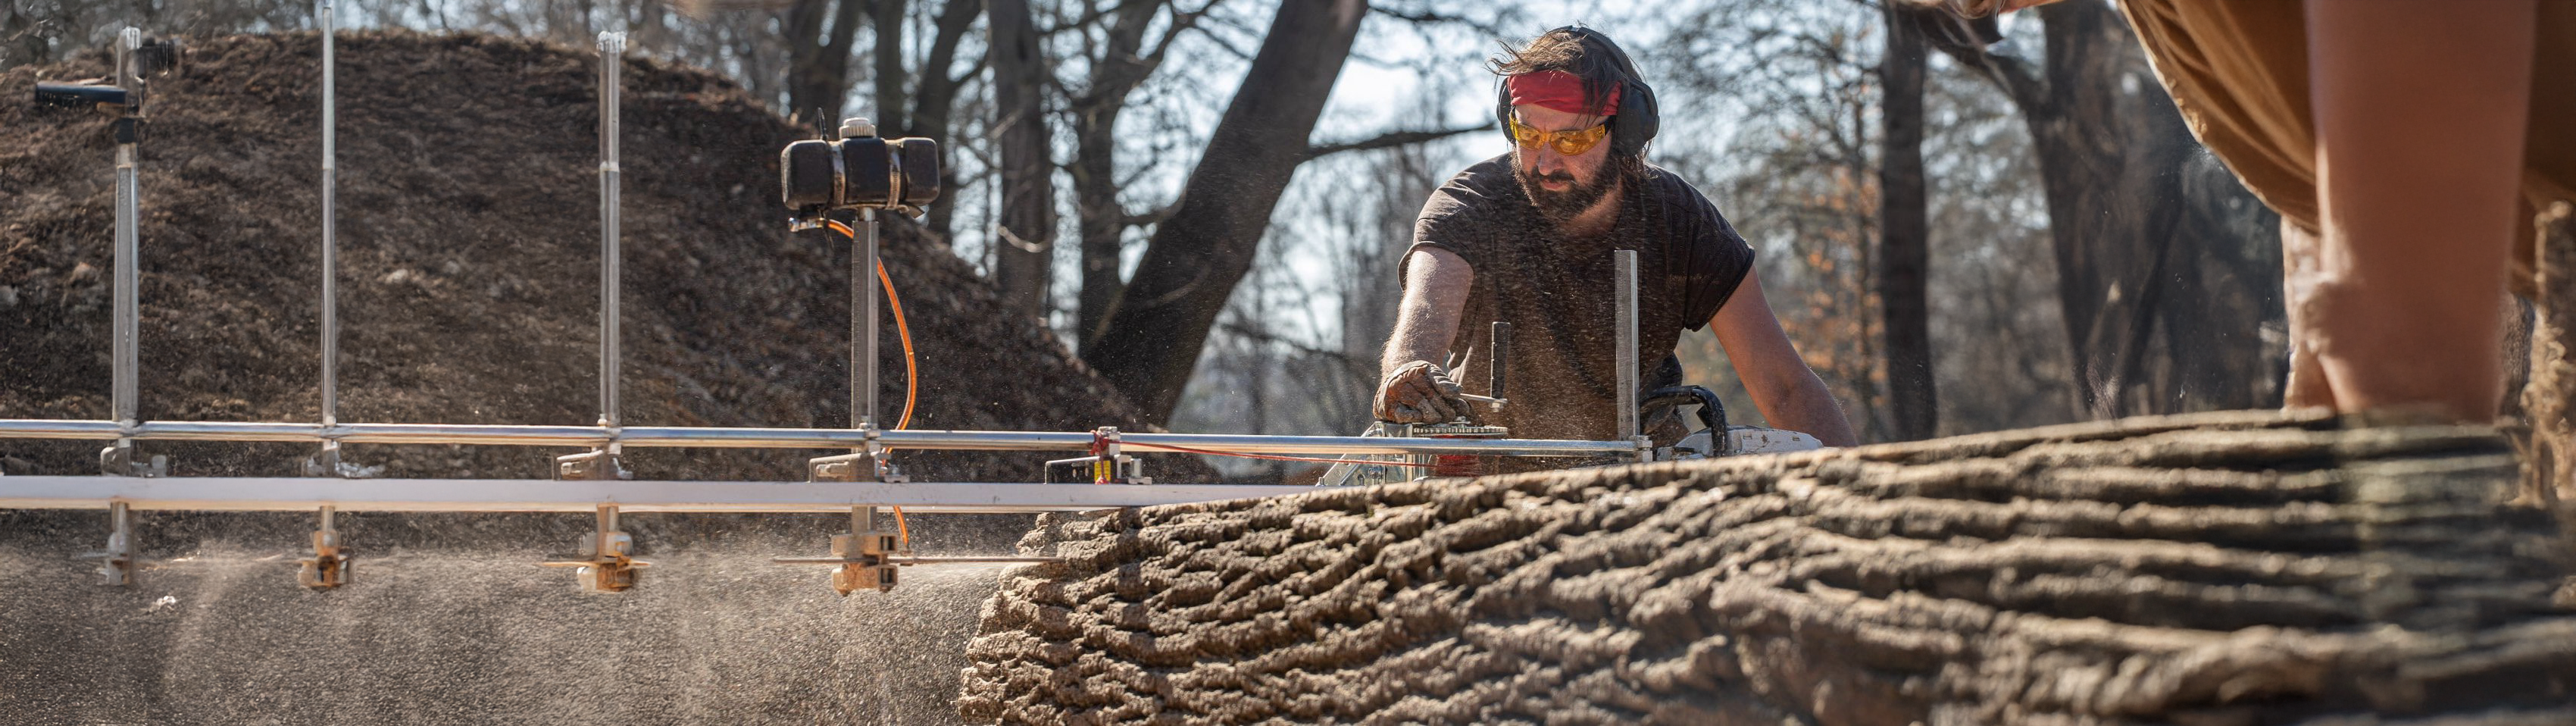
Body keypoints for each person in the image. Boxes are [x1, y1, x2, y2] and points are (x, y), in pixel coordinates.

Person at [1375, 27, 1859, 453]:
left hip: (1643, 470)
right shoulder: (1470, 206)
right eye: (1529, 134)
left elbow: (1784, 386)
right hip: (1484, 470)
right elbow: (1425, 314)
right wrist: (1407, 375)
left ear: (1626, 132)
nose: (1544, 162)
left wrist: (1852, 484)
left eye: (1571, 140)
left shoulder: (1680, 221)